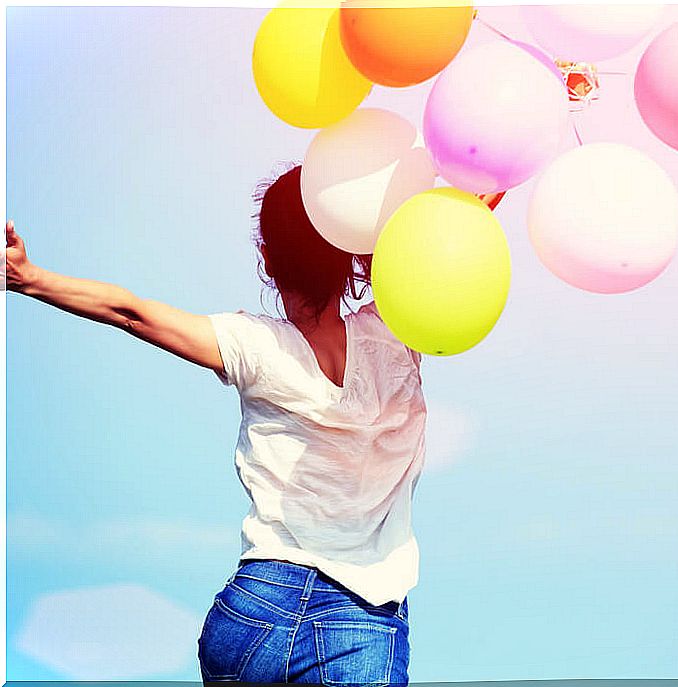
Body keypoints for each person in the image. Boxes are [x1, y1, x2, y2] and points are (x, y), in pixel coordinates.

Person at [4, 162, 427, 684]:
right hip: (359, 621)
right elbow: (462, 218)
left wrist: (29, 278)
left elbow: (130, 312)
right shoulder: (399, 333)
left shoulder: (253, 344)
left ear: (268, 262)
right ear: (347, 254)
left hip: (254, 614)